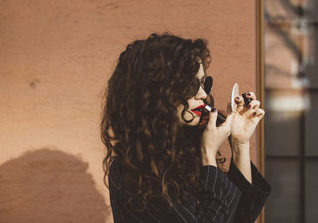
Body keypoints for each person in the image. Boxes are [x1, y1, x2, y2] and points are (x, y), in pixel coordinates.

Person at [101, 33, 270, 223]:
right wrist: (208, 153)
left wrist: (240, 142)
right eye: (190, 84)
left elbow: (239, 218)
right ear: (156, 94)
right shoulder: (133, 171)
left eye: (203, 82)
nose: (203, 93)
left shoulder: (184, 155)